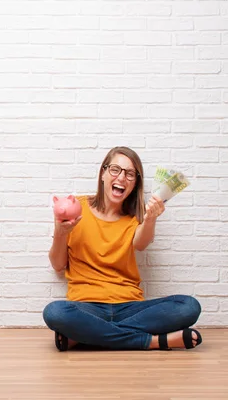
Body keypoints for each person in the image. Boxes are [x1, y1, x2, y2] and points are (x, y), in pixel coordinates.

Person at [43, 146, 202, 351]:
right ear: (103, 173)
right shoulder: (77, 207)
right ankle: (153, 342)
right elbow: (57, 265)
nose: (122, 177)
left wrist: (151, 217)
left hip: (131, 307)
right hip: (86, 306)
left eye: (130, 174)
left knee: (189, 306)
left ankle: (85, 336)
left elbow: (141, 244)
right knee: (55, 312)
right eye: (115, 169)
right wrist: (61, 231)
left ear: (135, 183)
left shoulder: (137, 218)